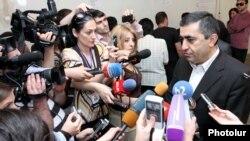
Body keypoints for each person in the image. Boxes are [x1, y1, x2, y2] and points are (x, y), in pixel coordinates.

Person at [164, 11, 250, 140]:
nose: (183, 47)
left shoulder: (238, 75)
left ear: (212, 40)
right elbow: (171, 97)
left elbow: (234, 131)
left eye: (190, 39)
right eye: (182, 39)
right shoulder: (182, 63)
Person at [109, 23, 142, 141]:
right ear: (117, 42)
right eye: (127, 40)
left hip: (134, 113)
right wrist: (143, 102)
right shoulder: (118, 66)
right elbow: (118, 97)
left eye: (133, 40)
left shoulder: (129, 61)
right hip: (122, 116)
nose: (132, 43)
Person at [136, 18, 169, 93]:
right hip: (159, 81)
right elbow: (166, 61)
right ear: (152, 28)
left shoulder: (136, 43)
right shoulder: (161, 42)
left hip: (142, 81)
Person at [152, 11, 182, 84]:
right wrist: (183, 61)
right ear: (166, 19)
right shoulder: (173, 31)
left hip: (159, 65)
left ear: (156, 22)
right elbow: (179, 49)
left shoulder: (153, 33)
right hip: (173, 65)